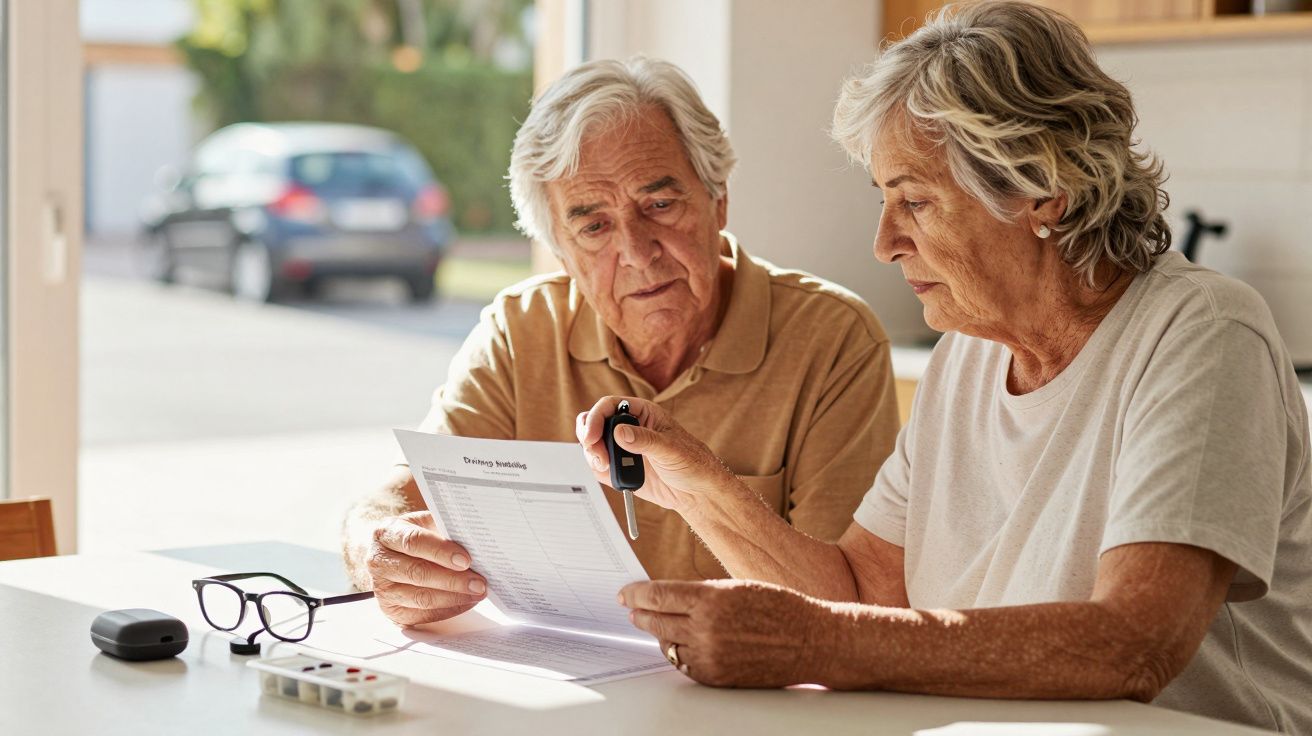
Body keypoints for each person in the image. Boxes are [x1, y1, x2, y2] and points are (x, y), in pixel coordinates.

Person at [577, 4, 1312, 732]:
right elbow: (866, 591)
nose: (884, 241)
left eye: (916, 201)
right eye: (884, 200)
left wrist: (813, 643)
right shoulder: (967, 352)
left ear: (1042, 191)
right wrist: (695, 484)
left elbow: (1133, 643)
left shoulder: (1203, 334)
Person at [341, 57, 901, 629]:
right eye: (594, 226)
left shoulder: (833, 340)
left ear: (719, 199)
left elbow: (848, 610)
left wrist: (704, 486)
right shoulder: (520, 331)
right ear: (560, 248)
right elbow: (395, 500)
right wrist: (374, 548)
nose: (636, 252)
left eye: (659, 205)